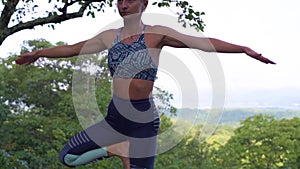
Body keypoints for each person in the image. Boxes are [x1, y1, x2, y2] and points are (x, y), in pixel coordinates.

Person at [16, 0, 276, 168]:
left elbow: (201, 42)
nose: (123, 5)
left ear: (144, 4)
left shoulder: (156, 34)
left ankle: (125, 149)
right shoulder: (109, 37)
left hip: (143, 121)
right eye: (120, 1)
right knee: (68, 158)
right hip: (114, 118)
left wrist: (242, 49)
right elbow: (73, 49)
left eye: (130, 0)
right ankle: (117, 149)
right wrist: (38, 53)